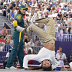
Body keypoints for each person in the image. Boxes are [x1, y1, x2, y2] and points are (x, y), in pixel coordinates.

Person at [5, 5, 28, 69]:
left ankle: (22, 66)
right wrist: (18, 28)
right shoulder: (19, 15)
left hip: (20, 34)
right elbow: (15, 22)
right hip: (18, 34)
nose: (24, 10)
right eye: (23, 9)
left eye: (25, 10)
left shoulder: (21, 16)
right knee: (15, 49)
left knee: (21, 51)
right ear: (20, 9)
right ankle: (8, 65)